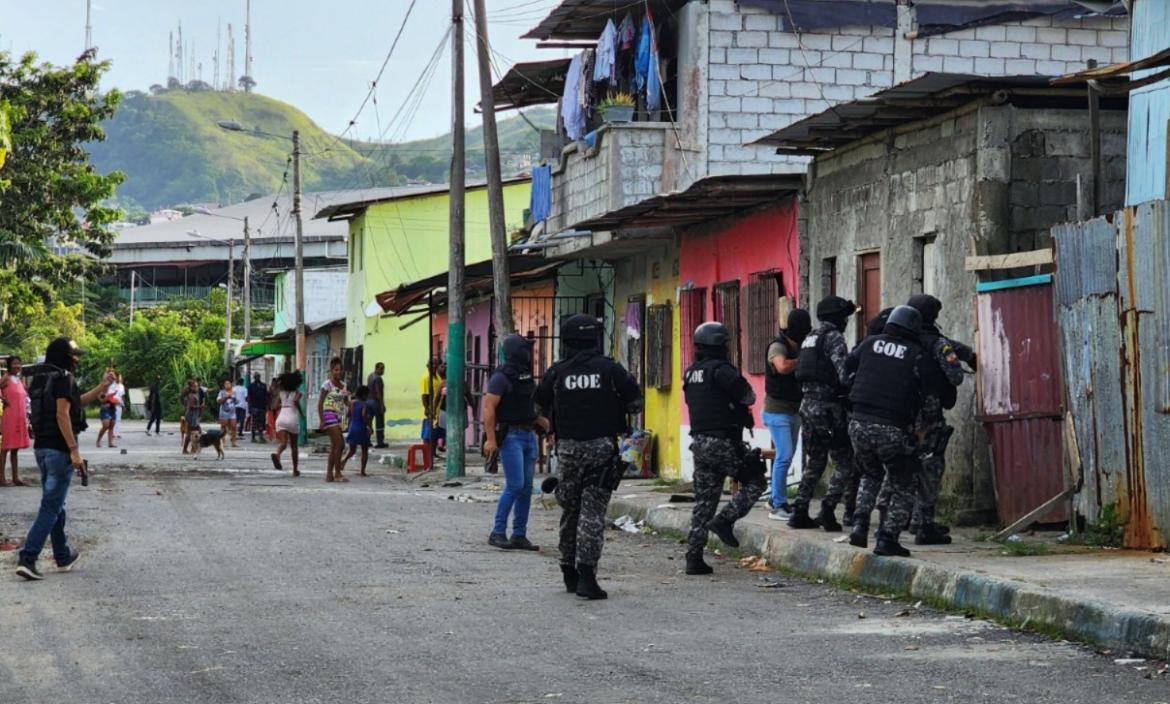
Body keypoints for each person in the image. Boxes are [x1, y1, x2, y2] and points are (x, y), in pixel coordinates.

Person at [536, 315, 642, 600]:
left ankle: (568, 571)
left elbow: (537, 405)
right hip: (600, 448)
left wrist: (553, 426)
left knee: (571, 509)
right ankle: (586, 576)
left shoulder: (557, 371)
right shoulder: (609, 369)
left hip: (568, 450)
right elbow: (635, 402)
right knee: (592, 512)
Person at [845, 305, 942, 557]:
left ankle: (859, 524)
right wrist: (925, 429)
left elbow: (845, 376)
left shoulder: (868, 344)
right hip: (892, 427)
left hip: (857, 423)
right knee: (903, 483)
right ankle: (887, 538)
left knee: (869, 474)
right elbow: (930, 400)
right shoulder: (917, 355)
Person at [16, 337, 115, 580]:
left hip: (42, 449)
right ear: (65, 356)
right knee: (51, 506)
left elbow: (75, 403)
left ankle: (62, 556)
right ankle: (28, 558)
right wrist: (74, 450)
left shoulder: (43, 378)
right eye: (74, 355)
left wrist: (102, 387)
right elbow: (63, 414)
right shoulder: (64, 378)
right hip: (59, 451)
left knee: (56, 504)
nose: (77, 359)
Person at [682, 322, 766, 576]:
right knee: (755, 482)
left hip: (699, 442)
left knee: (705, 501)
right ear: (720, 345)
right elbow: (748, 397)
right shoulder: (722, 370)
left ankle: (694, 557)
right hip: (723, 441)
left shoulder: (691, 372)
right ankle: (726, 519)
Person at [906, 294, 974, 545]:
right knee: (931, 468)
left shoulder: (901, 340)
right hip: (928, 416)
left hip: (902, 415)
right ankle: (925, 524)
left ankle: (910, 519)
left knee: (907, 468)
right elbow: (955, 376)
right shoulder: (938, 344)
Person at [789, 296, 857, 532]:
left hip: (807, 406)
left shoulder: (811, 337)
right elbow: (844, 374)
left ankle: (799, 510)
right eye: (845, 317)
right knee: (845, 461)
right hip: (828, 408)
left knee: (815, 461)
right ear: (838, 317)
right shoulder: (834, 338)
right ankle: (827, 510)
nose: (847, 321)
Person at [484, 335, 549, 551]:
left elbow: (528, 408)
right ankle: (498, 531)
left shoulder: (525, 376)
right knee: (515, 485)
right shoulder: (501, 377)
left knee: (527, 488)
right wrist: (491, 440)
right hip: (510, 436)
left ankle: (519, 534)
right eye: (525, 349)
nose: (529, 353)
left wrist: (547, 425)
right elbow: (489, 408)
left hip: (529, 434)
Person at [762, 310, 811, 520]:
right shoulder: (778, 346)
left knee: (787, 456)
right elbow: (782, 367)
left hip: (794, 410)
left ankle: (775, 499)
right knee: (783, 456)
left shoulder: (798, 346)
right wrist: (804, 360)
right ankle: (778, 505)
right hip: (777, 411)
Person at [1, 356, 31, 486]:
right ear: (9, 365)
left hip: (20, 416)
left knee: (15, 449)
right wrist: (3, 399)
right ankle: (1, 478)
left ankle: (15, 477)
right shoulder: (6, 377)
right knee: (5, 448)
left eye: (19, 363)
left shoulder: (19, 379)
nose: (17, 366)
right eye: (14, 364)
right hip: (9, 416)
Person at [318, 357, 350, 482]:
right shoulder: (327, 385)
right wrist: (322, 420)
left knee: (335, 446)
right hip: (329, 415)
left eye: (340, 370)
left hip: (339, 416)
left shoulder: (344, 386)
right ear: (331, 371)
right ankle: (337, 473)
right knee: (340, 443)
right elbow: (320, 404)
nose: (339, 372)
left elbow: (346, 401)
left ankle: (329, 474)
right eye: (336, 370)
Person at [271, 371, 303, 477]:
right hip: (292, 417)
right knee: (294, 446)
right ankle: (295, 470)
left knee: (283, 443)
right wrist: (302, 414)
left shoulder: (281, 393)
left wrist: (282, 402)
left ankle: (277, 454)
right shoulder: (298, 393)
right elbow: (296, 402)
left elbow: (274, 407)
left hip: (281, 418)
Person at [341, 386, 373, 476]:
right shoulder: (364, 404)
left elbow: (345, 402)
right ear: (364, 395)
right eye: (367, 395)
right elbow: (363, 416)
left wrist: (345, 395)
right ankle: (362, 471)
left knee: (352, 450)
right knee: (364, 450)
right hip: (361, 428)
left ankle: (343, 460)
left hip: (352, 427)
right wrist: (369, 426)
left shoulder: (352, 403)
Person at [420, 358, 442, 467]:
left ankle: (433, 453)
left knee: (435, 433)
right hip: (431, 408)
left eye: (436, 364)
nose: (434, 366)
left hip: (438, 409)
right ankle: (427, 455)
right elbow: (424, 396)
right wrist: (428, 409)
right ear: (428, 365)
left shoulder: (437, 377)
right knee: (428, 433)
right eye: (432, 364)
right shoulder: (426, 378)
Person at [367, 362, 387, 448]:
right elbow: (379, 392)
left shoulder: (370, 376)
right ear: (377, 368)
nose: (383, 371)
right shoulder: (378, 379)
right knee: (380, 422)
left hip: (368, 401)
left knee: (369, 421)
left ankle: (367, 440)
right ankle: (380, 442)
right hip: (376, 402)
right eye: (381, 369)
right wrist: (382, 404)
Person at [180, 379, 203, 454]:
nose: (197, 387)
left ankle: (191, 449)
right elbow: (191, 406)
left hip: (193, 415)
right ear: (191, 387)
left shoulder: (194, 394)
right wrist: (200, 406)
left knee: (193, 432)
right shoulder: (191, 395)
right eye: (195, 386)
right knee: (194, 432)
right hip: (191, 416)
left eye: (197, 386)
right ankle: (189, 449)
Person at [216, 379, 239, 448]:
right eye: (226, 384)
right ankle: (223, 442)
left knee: (234, 426)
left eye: (229, 383)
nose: (227, 385)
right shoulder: (221, 392)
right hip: (224, 412)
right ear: (224, 385)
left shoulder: (234, 392)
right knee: (223, 427)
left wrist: (234, 399)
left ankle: (234, 442)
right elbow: (219, 401)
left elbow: (237, 401)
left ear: (231, 385)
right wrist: (226, 397)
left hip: (232, 412)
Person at [247, 372, 269, 443]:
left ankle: (261, 437)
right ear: (254, 377)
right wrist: (250, 407)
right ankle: (253, 437)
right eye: (256, 376)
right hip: (254, 407)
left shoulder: (263, 385)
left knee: (262, 422)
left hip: (262, 407)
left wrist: (267, 406)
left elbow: (266, 396)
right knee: (254, 423)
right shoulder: (251, 386)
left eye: (258, 376)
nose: (257, 378)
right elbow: (249, 397)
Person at [109, 372, 125, 439]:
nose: (120, 379)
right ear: (116, 378)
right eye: (119, 377)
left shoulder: (122, 386)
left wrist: (123, 405)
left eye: (120, 378)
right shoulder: (112, 385)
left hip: (119, 405)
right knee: (113, 419)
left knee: (118, 419)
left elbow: (123, 396)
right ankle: (112, 433)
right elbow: (109, 395)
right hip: (113, 404)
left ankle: (117, 433)